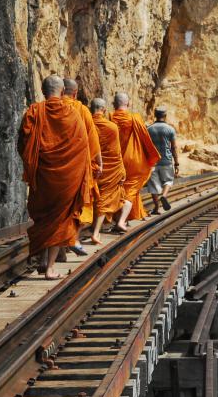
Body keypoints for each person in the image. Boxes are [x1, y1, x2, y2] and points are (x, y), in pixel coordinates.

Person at [17, 75, 91, 279]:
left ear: (42, 90)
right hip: (67, 178)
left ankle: (42, 260)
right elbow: (82, 146)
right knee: (60, 218)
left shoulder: (34, 111)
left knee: (45, 217)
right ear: (63, 91)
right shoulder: (73, 113)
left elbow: (23, 143)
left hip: (42, 177)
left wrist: (34, 165)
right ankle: (49, 267)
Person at [62, 78, 102, 255]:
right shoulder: (81, 110)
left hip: (52, 166)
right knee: (78, 203)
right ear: (75, 93)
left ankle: (53, 253)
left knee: (55, 208)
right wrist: (99, 163)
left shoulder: (43, 108)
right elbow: (93, 141)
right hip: (77, 166)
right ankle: (73, 239)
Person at [109, 93, 160, 221]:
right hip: (134, 161)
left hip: (115, 161)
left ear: (113, 104)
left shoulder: (109, 117)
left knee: (118, 189)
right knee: (130, 189)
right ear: (128, 104)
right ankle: (122, 220)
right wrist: (151, 158)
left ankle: (120, 218)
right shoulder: (135, 118)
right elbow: (145, 140)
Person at [89, 98, 132, 243]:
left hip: (91, 167)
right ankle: (95, 232)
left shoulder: (85, 124)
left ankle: (86, 231)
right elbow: (116, 152)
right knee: (104, 200)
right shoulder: (112, 127)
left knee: (91, 199)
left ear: (90, 108)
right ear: (104, 110)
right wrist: (122, 171)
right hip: (110, 170)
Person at [146, 107, 179, 214]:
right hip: (166, 161)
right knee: (168, 181)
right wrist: (177, 163)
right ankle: (164, 196)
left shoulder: (149, 129)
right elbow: (173, 147)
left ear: (155, 115)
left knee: (153, 186)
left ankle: (156, 207)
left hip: (153, 162)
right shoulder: (170, 129)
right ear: (165, 116)